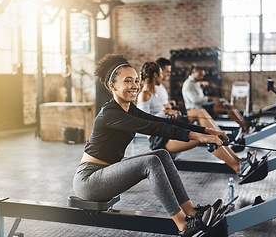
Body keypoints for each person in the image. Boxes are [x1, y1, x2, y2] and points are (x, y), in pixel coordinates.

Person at [73, 54, 223, 237]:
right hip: (89, 181)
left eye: (136, 80)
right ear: (113, 86)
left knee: (161, 154)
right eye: (128, 81)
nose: (135, 85)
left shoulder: (128, 108)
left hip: (105, 174)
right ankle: (184, 225)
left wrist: (207, 132)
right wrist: (199, 138)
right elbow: (154, 127)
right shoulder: (110, 114)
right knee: (150, 162)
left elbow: (162, 122)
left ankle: (192, 212)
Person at [137, 62, 254, 176]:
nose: (163, 76)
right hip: (160, 140)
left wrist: (168, 111)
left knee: (206, 127)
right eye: (161, 73)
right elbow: (143, 122)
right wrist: (166, 112)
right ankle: (237, 167)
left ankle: (238, 160)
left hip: (168, 130)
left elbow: (157, 114)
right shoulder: (144, 94)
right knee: (208, 139)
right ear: (155, 75)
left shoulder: (154, 94)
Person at [182, 66, 250, 132]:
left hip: (202, 106)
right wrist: (212, 99)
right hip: (196, 109)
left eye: (202, 75)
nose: (202, 77)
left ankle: (244, 123)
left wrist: (201, 87)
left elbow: (199, 96)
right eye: (200, 75)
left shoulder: (195, 83)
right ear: (193, 73)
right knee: (226, 107)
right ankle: (245, 126)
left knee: (226, 105)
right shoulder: (188, 84)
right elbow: (195, 100)